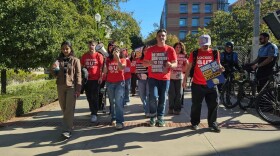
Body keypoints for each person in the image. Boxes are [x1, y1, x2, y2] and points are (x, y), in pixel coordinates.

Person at [182, 34, 223, 133]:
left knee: (214, 103)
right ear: (199, 44)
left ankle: (212, 123)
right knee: (196, 105)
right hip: (197, 83)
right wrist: (184, 80)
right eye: (203, 44)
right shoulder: (195, 53)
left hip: (211, 82)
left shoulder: (215, 52)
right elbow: (189, 67)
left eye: (207, 44)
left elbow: (218, 65)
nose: (205, 46)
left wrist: (221, 68)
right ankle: (195, 123)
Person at [143, 29, 177, 127]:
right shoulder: (150, 50)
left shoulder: (170, 49)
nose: (161, 37)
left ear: (165, 37)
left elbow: (175, 63)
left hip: (165, 78)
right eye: (159, 36)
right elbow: (144, 63)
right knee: (153, 97)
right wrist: (150, 63)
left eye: (163, 35)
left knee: (162, 98)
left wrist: (171, 64)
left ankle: (160, 117)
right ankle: (153, 116)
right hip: (153, 78)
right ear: (156, 37)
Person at [50, 41, 82, 139]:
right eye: (63, 48)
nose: (65, 50)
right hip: (60, 86)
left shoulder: (75, 60)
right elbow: (54, 74)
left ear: (70, 49)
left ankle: (67, 130)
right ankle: (69, 124)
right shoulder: (58, 60)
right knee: (64, 108)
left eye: (67, 48)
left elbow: (78, 75)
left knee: (69, 108)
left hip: (71, 87)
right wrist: (53, 68)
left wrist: (78, 89)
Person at [81, 40, 104, 123]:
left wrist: (101, 77)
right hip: (87, 80)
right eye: (90, 45)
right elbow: (82, 67)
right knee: (89, 97)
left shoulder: (99, 55)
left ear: (95, 46)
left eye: (93, 45)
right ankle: (93, 110)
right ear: (88, 46)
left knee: (95, 96)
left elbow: (102, 67)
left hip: (96, 79)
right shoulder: (84, 56)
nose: (91, 46)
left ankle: (94, 113)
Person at [104, 45, 126, 130]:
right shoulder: (108, 60)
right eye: (114, 50)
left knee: (118, 102)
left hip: (119, 83)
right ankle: (113, 117)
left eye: (118, 51)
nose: (116, 52)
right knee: (112, 102)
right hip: (110, 83)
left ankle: (120, 121)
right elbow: (105, 72)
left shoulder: (123, 59)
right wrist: (105, 63)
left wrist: (118, 59)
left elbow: (121, 68)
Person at [168, 42, 188, 115]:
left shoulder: (184, 56)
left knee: (179, 94)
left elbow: (186, 67)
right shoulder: (171, 55)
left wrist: (184, 68)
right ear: (174, 48)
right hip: (170, 76)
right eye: (177, 47)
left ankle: (177, 109)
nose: (178, 48)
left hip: (179, 76)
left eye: (180, 47)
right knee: (171, 93)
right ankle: (170, 108)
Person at [135, 45, 150, 117]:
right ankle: (145, 107)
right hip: (141, 80)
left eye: (147, 50)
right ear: (142, 51)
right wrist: (139, 76)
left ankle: (147, 110)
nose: (146, 51)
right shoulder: (139, 60)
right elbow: (136, 70)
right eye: (144, 50)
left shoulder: (151, 59)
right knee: (142, 95)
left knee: (148, 94)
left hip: (149, 80)